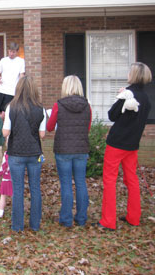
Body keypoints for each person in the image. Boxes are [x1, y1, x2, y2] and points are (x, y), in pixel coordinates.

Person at [94, 62, 152, 231]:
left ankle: (108, 221)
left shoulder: (127, 94)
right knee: (132, 180)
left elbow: (112, 115)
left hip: (117, 143)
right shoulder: (146, 99)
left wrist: (120, 96)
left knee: (110, 180)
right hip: (132, 145)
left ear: (133, 75)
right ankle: (134, 217)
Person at [2, 75, 46, 232]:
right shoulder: (40, 108)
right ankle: (35, 225)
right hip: (34, 153)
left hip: (16, 153)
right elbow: (42, 135)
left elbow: (5, 132)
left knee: (18, 189)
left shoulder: (11, 107)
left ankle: (17, 226)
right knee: (35, 188)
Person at [47, 76, 92, 227]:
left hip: (63, 149)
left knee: (66, 183)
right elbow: (87, 128)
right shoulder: (87, 105)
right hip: (81, 148)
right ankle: (81, 218)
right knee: (81, 183)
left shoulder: (58, 105)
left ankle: (66, 219)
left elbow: (49, 127)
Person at [0, 42, 25, 118]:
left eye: (13, 52)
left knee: (8, 113)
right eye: (10, 51)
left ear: (17, 52)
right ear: (8, 50)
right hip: (0, 89)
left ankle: (6, 129)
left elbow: (22, 75)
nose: (11, 53)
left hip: (11, 91)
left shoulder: (21, 61)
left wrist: (21, 87)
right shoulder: (3, 60)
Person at [0, 151, 13, 219]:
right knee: (14, 196)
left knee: (3, 196)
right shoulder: (20, 153)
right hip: (15, 178)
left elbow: (3, 166)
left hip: (7, 178)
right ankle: (16, 212)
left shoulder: (7, 154)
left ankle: (0, 212)